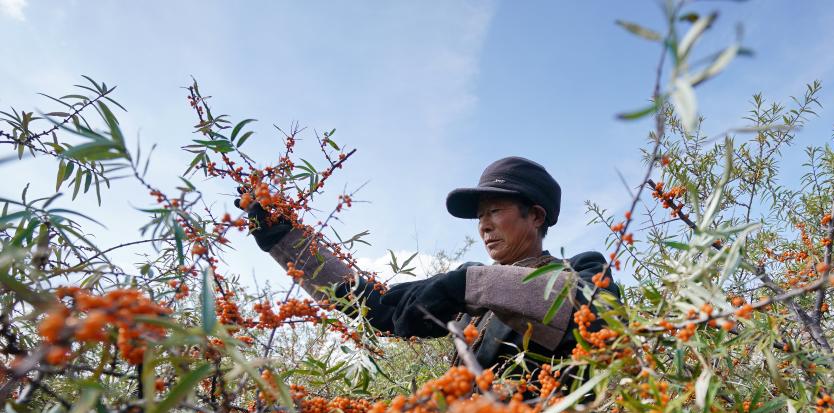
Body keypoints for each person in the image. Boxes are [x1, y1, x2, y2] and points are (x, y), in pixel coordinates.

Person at [245, 156, 620, 372]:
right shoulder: (471, 290)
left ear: (535, 216)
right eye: (479, 217)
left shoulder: (580, 268)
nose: (484, 225)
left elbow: (595, 317)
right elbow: (375, 304)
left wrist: (471, 284)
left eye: (494, 211)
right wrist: (288, 241)